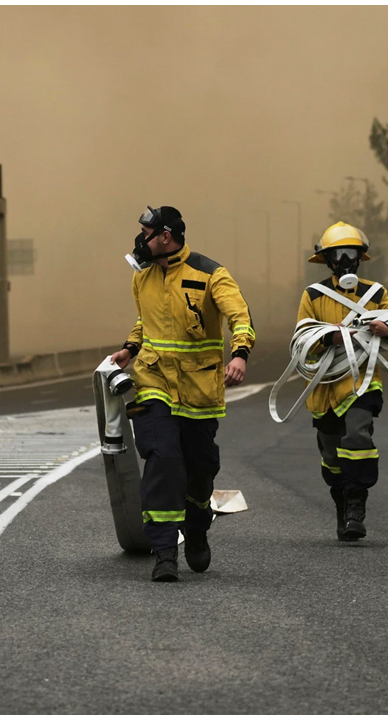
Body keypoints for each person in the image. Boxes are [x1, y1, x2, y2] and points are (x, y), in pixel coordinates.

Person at [110, 206, 255, 582]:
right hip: (154, 382)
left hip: (199, 390)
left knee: (201, 469)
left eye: (146, 233)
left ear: (165, 236)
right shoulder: (142, 279)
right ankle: (163, 552)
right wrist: (130, 348)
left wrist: (239, 354)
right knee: (162, 458)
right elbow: (148, 321)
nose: (140, 240)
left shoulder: (211, 274)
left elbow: (240, 316)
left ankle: (196, 525)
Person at [297, 222, 388, 541]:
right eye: (338, 255)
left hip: (363, 382)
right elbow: (302, 338)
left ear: (360, 258)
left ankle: (357, 506)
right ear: (327, 261)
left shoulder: (376, 293)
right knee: (332, 457)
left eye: (351, 254)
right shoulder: (313, 296)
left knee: (357, 437)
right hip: (325, 386)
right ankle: (343, 503)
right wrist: (326, 337)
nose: (346, 261)